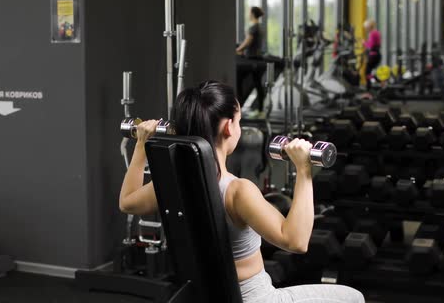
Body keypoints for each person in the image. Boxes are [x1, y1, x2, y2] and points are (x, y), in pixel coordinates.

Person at [119, 81, 365, 303]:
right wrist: (303, 170)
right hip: (257, 299)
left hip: (209, 296)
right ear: (228, 127)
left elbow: (127, 203)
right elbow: (297, 241)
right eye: (239, 120)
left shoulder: (173, 181)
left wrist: (141, 145)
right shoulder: (238, 191)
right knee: (354, 298)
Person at [236, 7, 266, 118]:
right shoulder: (259, 27)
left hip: (251, 60)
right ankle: (261, 110)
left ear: (253, 14)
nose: (248, 14)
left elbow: (248, 41)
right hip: (256, 58)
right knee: (258, 84)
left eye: (249, 12)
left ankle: (239, 107)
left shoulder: (253, 27)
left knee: (238, 80)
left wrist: (238, 49)